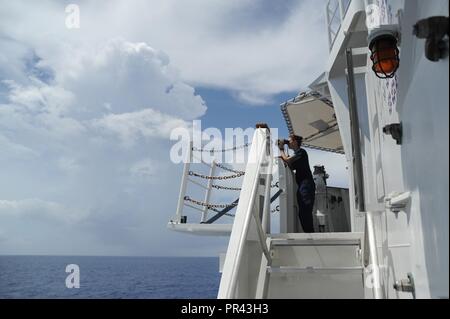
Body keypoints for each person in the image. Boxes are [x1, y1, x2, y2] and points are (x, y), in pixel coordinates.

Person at [278, 135, 315, 233]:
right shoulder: (297, 155)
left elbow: (288, 160)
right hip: (303, 185)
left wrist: (281, 149)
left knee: (305, 210)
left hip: (306, 184)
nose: (288, 142)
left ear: (294, 142)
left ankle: (310, 234)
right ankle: (309, 233)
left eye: (289, 141)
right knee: (303, 212)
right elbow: (290, 164)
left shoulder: (301, 152)